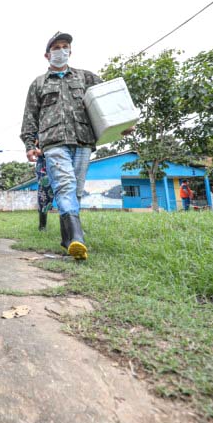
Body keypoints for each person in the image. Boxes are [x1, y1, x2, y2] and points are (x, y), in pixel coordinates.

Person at [20, 31, 132, 260]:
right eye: (56, 47)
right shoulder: (39, 84)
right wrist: (30, 143)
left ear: (70, 51)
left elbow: (108, 100)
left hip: (83, 141)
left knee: (76, 191)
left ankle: (68, 240)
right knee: (65, 185)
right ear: (47, 54)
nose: (61, 50)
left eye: (65, 46)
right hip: (53, 143)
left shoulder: (86, 78)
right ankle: (77, 239)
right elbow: (30, 115)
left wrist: (123, 122)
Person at [34, 141, 54, 231]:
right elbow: (29, 139)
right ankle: (42, 226)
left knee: (67, 191)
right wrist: (36, 150)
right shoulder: (37, 128)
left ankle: (72, 228)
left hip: (62, 158)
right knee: (43, 193)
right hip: (44, 161)